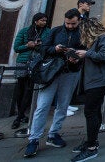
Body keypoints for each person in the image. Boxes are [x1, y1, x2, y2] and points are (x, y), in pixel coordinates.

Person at [24, 9, 85, 158]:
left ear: (78, 21)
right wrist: (55, 49)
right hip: (51, 72)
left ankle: (54, 133)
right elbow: (43, 48)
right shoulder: (56, 31)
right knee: (43, 105)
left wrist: (76, 55)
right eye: (68, 23)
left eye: (73, 23)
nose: (70, 26)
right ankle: (34, 138)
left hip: (71, 72)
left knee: (63, 105)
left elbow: (86, 50)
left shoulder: (82, 33)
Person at [71, 18, 105, 162]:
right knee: (94, 111)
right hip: (95, 80)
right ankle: (92, 141)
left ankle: (91, 147)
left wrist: (86, 54)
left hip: (100, 81)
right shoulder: (101, 40)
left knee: (90, 112)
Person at [12, 12, 50, 129]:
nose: (44, 22)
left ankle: (20, 116)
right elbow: (16, 47)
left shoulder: (47, 32)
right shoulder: (24, 31)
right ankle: (21, 114)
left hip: (37, 62)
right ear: (35, 20)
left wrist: (38, 46)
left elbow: (48, 46)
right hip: (23, 62)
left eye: (45, 20)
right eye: (42, 20)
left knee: (29, 88)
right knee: (20, 88)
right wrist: (28, 46)